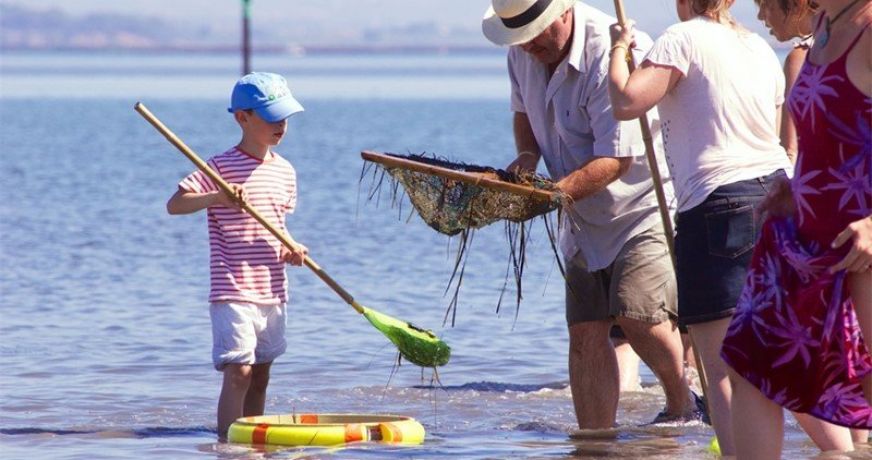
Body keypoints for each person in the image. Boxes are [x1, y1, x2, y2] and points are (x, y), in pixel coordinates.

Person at [482, 0, 701, 430]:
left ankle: (683, 404)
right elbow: (524, 112)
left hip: (641, 204)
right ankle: (595, 440)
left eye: (535, 34)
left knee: (637, 315)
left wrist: (550, 195)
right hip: (579, 214)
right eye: (519, 38)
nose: (527, 47)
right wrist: (526, 157)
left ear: (563, 14)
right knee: (584, 331)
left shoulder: (612, 48)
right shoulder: (520, 50)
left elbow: (616, 160)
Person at [605, 0, 793, 454]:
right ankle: (843, 446)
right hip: (776, 196)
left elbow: (627, 101)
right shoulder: (759, 47)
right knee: (773, 354)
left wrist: (617, 50)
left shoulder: (682, 36)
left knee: (719, 369)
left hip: (718, 207)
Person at [720, 0, 872, 456]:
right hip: (800, 237)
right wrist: (796, 186)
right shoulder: (826, 24)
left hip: (859, 245)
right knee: (752, 364)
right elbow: (824, 129)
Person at [166, 72, 309, 440]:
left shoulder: (285, 171)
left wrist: (291, 247)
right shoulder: (220, 167)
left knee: (261, 373)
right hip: (232, 289)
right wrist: (218, 197)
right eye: (271, 117)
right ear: (242, 118)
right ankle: (228, 444)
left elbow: (276, 226)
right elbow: (176, 204)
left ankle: (253, 440)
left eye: (285, 117)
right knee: (239, 371)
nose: (281, 125)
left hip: (273, 289)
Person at [755, 0, 818, 164]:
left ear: (794, 5)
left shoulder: (802, 58)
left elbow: (791, 150)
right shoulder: (851, 40)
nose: (760, 15)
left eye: (766, 5)